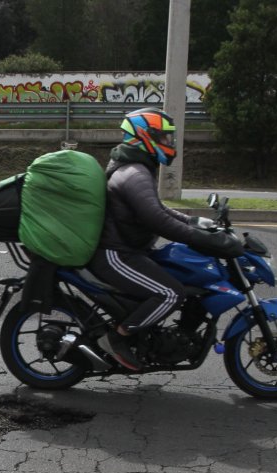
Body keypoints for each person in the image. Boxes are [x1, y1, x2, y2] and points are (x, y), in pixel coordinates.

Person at [90, 107, 244, 371]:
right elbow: (157, 220)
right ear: (145, 136)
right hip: (115, 254)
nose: (169, 143)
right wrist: (202, 239)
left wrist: (195, 221)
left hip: (130, 249)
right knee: (171, 293)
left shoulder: (136, 168)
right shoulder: (134, 173)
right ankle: (118, 336)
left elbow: (158, 209)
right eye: (164, 137)